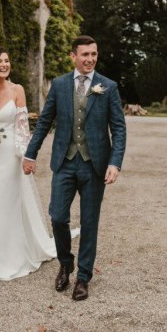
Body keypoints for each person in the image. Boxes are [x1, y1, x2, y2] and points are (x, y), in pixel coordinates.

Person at [23, 35, 127, 301]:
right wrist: (30, 154)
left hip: (95, 166)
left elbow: (118, 128)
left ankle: (83, 277)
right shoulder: (59, 86)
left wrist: (115, 162)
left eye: (94, 54)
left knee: (89, 222)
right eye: (85, 55)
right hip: (65, 163)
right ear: (73, 56)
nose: (90, 59)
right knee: (57, 216)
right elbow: (44, 122)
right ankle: (65, 263)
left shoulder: (108, 87)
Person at [0, 47, 58, 287]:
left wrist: (27, 157)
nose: (4, 65)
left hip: (10, 157)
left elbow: (22, 127)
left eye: (7, 61)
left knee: (9, 205)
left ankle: (10, 258)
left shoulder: (18, 90)